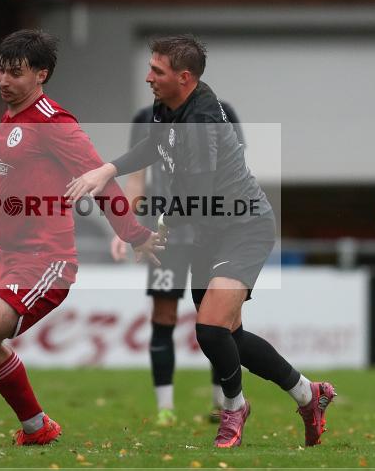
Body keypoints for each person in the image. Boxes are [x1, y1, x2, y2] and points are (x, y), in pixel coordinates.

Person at [66, 35, 335, 449]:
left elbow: (199, 192)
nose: (148, 77)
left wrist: (156, 228)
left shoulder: (203, 119)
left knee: (210, 328)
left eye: (157, 71)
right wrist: (109, 169)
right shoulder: (168, 106)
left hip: (243, 227)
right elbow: (155, 145)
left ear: (184, 77)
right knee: (227, 334)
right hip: (207, 231)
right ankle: (307, 394)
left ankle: (234, 409)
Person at [0, 30, 163, 448]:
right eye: (0, 70)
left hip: (46, 261)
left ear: (41, 74)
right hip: (6, 256)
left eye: (15, 73)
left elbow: (99, 180)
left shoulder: (56, 124)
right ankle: (37, 427)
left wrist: (134, 234)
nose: (3, 80)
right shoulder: (10, 118)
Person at [111, 101, 245, 426]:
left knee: (221, 318)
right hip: (164, 237)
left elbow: (235, 173)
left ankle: (223, 402)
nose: (153, 80)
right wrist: (124, 227)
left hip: (211, 233)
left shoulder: (222, 112)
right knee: (164, 316)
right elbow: (137, 180)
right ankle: (165, 409)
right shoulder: (144, 118)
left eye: (159, 72)